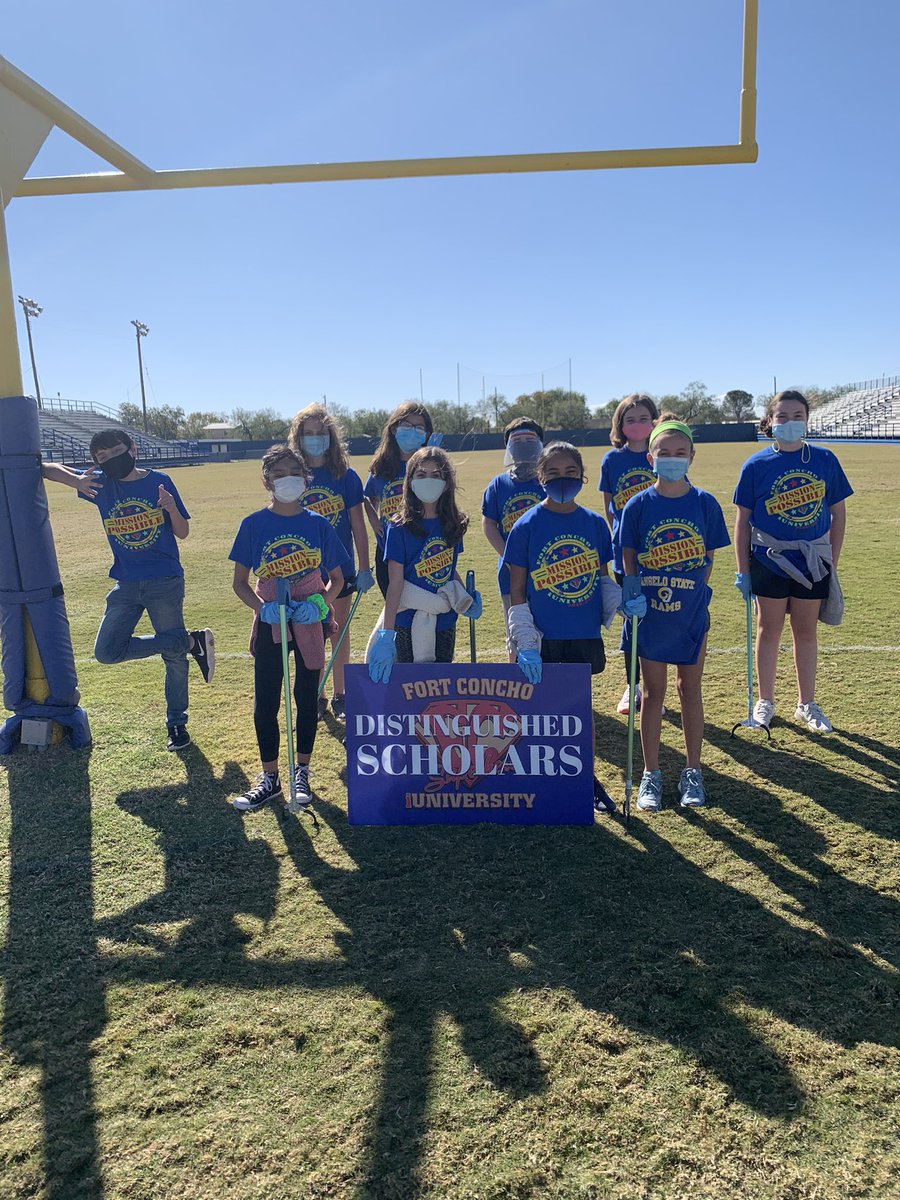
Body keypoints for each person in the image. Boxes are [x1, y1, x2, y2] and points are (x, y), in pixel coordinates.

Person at [41, 430, 214, 752]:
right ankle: (192, 641)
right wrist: (77, 481)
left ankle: (177, 723)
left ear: (132, 449)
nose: (110, 460)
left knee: (173, 659)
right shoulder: (100, 485)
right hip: (125, 582)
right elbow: (46, 468)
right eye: (101, 458)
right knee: (107, 652)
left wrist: (172, 508)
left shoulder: (158, 481)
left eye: (116, 452)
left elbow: (183, 533)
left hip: (164, 580)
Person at [229, 445, 350, 812]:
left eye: (294, 473)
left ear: (306, 478)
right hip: (272, 624)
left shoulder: (317, 524)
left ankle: (302, 772)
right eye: (279, 474)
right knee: (266, 701)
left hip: (309, 622)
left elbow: (338, 579)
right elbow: (239, 583)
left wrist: (320, 603)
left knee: (305, 699)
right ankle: (269, 779)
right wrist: (262, 609)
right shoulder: (253, 524)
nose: (287, 480)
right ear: (267, 481)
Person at [619, 415, 730, 811]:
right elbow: (628, 554)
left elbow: (708, 557)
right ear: (650, 456)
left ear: (691, 456)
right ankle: (651, 774)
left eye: (679, 453)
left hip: (690, 615)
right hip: (650, 615)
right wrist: (632, 590)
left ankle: (692, 772)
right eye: (663, 453)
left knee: (689, 690)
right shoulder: (637, 505)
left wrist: (692, 594)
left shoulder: (704, 503)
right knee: (652, 694)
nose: (671, 459)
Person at [502, 442, 620, 813]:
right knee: (538, 712)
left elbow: (603, 581)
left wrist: (623, 605)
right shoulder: (525, 526)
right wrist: (524, 640)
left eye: (570, 472)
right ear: (540, 477)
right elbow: (517, 591)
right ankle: (540, 781)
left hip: (583, 634)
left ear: (582, 476)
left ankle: (585, 778)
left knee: (579, 710)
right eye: (552, 473)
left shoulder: (594, 524)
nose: (562, 479)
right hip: (543, 638)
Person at [733, 389, 852, 734]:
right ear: (769, 422)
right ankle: (765, 702)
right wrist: (743, 570)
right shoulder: (755, 464)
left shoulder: (825, 459)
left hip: (812, 561)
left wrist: (832, 559)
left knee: (806, 631)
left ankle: (806, 704)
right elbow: (743, 522)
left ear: (807, 420)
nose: (789, 422)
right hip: (768, 560)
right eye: (781, 416)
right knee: (768, 631)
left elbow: (838, 515)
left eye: (797, 415)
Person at [288, 402, 374, 721]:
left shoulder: (345, 476)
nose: (314, 438)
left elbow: (357, 526)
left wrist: (363, 567)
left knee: (338, 631)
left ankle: (341, 694)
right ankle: (316, 695)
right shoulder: (292, 476)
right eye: (307, 433)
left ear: (330, 436)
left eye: (320, 433)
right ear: (298, 438)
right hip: (303, 573)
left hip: (340, 569)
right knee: (311, 634)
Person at [368, 446, 480, 680]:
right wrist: (387, 633)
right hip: (408, 619)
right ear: (409, 481)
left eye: (436, 475)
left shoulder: (453, 524)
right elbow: (395, 583)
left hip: (445, 615)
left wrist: (466, 597)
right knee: (411, 685)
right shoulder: (398, 527)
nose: (428, 480)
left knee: (440, 683)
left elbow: (449, 570)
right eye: (421, 475)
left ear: (446, 482)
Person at [598, 393, 659, 713]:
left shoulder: (662, 455)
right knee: (632, 618)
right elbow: (610, 507)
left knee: (657, 618)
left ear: (654, 421)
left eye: (643, 418)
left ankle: (654, 689)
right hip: (627, 552)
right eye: (630, 419)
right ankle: (632, 687)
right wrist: (619, 539)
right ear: (620, 425)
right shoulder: (612, 460)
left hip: (660, 552)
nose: (637, 425)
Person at [481, 417, 546, 662]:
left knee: (545, 630)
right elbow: (489, 524)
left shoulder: (548, 480)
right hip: (509, 572)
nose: (523, 446)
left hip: (545, 570)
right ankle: (517, 686)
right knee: (516, 633)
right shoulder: (499, 484)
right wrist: (509, 557)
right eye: (516, 441)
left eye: (530, 440)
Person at [363, 401, 439, 598]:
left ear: (427, 433)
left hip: (422, 548)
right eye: (407, 425)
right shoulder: (383, 466)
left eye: (419, 427)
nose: (412, 432)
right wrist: (373, 520)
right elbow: (367, 496)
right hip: (388, 548)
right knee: (394, 608)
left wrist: (433, 463)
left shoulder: (430, 466)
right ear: (394, 428)